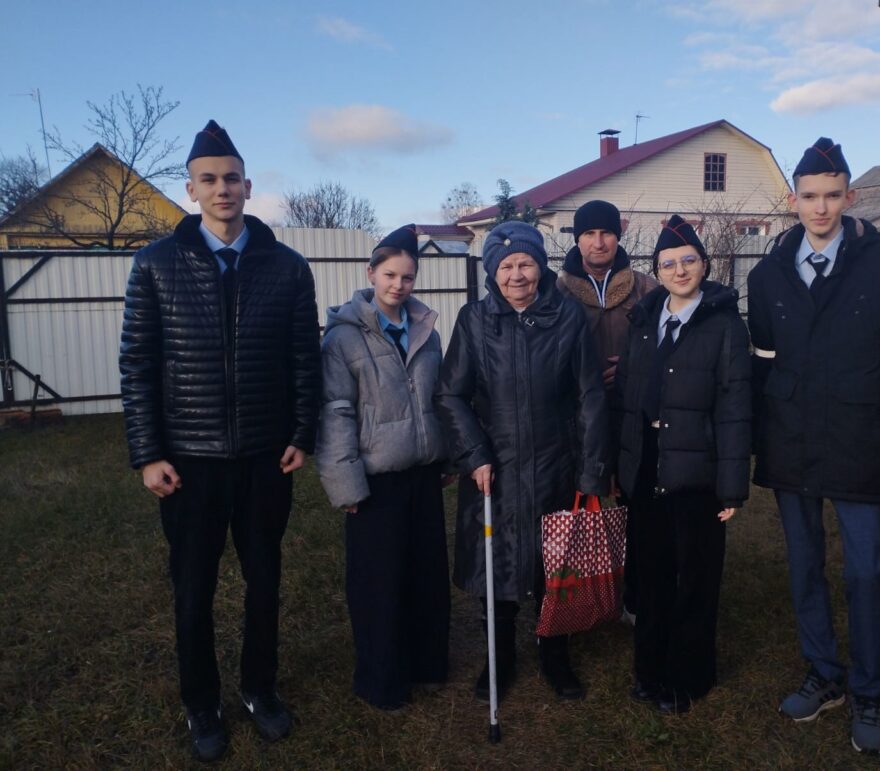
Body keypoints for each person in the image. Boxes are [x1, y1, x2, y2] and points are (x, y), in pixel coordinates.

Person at [119, 120, 320, 762]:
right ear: (191, 190)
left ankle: (259, 689)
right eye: (208, 179)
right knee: (193, 589)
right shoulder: (155, 265)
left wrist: (301, 432)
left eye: (232, 178)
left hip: (264, 457)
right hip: (189, 463)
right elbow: (137, 364)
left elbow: (303, 359)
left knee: (265, 583)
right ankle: (201, 702)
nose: (222, 188)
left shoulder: (287, 268)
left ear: (249, 186)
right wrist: (149, 453)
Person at [747, 137, 880, 755]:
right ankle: (824, 672)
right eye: (809, 196)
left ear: (850, 197)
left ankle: (867, 690)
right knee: (804, 565)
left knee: (864, 569)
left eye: (832, 195)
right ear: (793, 201)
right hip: (792, 442)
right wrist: (755, 444)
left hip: (860, 440)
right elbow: (762, 364)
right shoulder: (766, 276)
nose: (820, 208)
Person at [435, 220, 610, 703]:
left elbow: (589, 397)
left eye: (526, 264)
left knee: (556, 563)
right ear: (493, 272)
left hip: (557, 462)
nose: (517, 275)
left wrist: (590, 470)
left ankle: (555, 653)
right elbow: (450, 394)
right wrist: (474, 453)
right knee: (497, 563)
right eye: (507, 266)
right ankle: (500, 657)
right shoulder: (474, 319)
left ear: (540, 267)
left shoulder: (568, 316)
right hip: (495, 468)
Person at [616, 215, 751, 714]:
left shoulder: (724, 325)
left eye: (688, 260)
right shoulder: (643, 320)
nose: (679, 270)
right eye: (669, 263)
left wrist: (731, 486)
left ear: (704, 265)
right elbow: (626, 398)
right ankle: (649, 670)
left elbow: (736, 407)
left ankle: (689, 677)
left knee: (695, 577)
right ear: (657, 270)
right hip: (648, 464)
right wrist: (621, 466)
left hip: (699, 471)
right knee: (651, 574)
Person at [316, 225, 450, 711]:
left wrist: (445, 454)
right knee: (379, 583)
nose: (398, 285)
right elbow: (336, 411)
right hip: (375, 479)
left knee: (425, 574)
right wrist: (346, 484)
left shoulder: (427, 331)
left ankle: (426, 663)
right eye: (390, 275)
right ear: (370, 273)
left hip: (422, 473)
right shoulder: (343, 337)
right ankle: (382, 677)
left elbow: (438, 399)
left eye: (407, 277)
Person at [556, 199, 658, 621]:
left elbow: (667, 345)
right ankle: (578, 592)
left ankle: (634, 594)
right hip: (578, 418)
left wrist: (634, 365)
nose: (598, 242)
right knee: (580, 504)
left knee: (637, 506)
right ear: (577, 239)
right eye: (589, 234)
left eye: (606, 233)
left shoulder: (646, 287)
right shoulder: (557, 291)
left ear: (619, 235)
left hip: (634, 412)